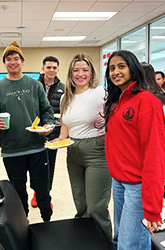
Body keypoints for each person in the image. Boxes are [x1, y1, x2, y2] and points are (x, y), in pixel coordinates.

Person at [0, 40, 55, 222]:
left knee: (42, 190)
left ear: (22, 61)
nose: (12, 62)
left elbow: (46, 111)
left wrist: (48, 125)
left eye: (16, 58)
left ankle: (47, 221)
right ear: (4, 63)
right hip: (11, 150)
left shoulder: (35, 85)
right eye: (8, 59)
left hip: (37, 147)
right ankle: (23, 223)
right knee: (18, 192)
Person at [104, 50, 165, 250]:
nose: (116, 72)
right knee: (121, 239)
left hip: (138, 186)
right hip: (119, 182)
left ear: (133, 68)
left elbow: (155, 153)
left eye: (121, 66)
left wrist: (153, 207)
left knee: (130, 245)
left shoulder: (147, 101)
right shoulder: (116, 102)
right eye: (112, 68)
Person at [53, 53, 112, 244]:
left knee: (96, 207)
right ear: (70, 73)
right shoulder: (65, 97)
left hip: (97, 151)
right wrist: (59, 139)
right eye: (76, 70)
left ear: (91, 72)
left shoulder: (101, 93)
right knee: (81, 204)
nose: (80, 74)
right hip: (73, 152)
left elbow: (113, 121)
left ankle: (104, 243)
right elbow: (65, 125)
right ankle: (87, 242)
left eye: (85, 70)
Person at [31, 56, 65, 208]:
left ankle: (45, 195)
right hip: (35, 133)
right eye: (48, 67)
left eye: (54, 68)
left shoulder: (63, 88)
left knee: (49, 165)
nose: (51, 70)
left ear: (57, 69)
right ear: (43, 68)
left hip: (54, 134)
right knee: (35, 165)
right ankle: (36, 192)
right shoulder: (33, 85)